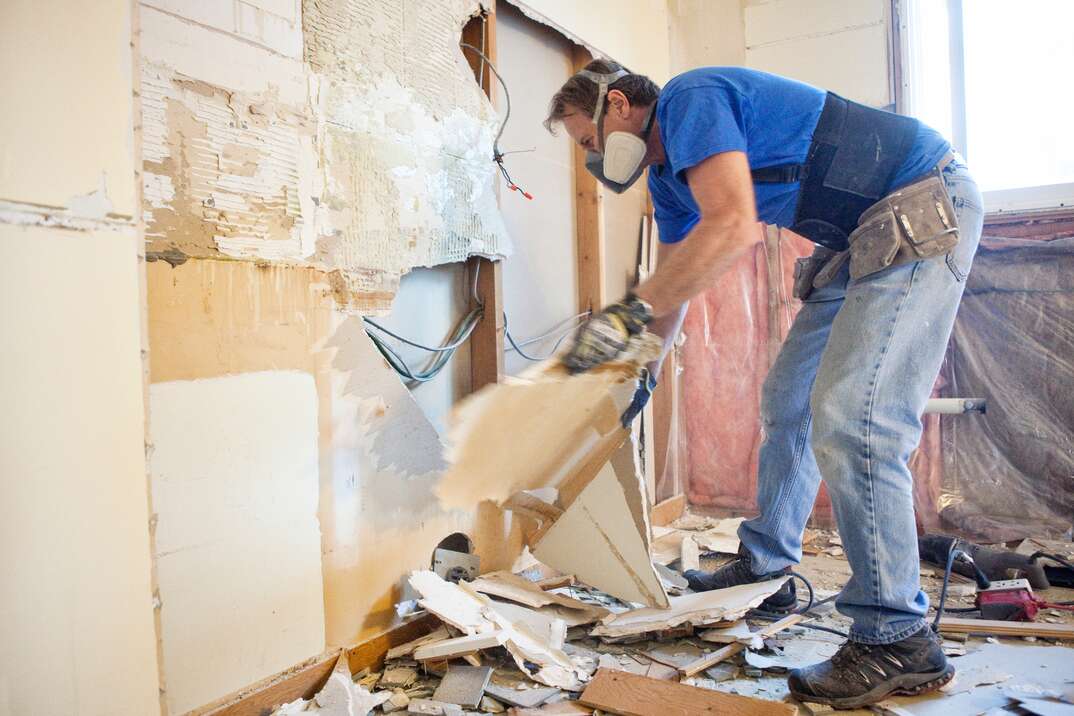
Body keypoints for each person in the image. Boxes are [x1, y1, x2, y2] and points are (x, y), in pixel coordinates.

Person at [543, 60, 984, 710]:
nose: (591, 161)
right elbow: (674, 290)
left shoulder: (690, 99)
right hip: (859, 236)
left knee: (852, 418)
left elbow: (729, 225)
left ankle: (896, 635)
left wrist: (624, 317)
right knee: (789, 401)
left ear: (618, 106)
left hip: (919, 199)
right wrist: (642, 369)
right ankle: (768, 566)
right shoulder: (668, 180)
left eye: (587, 143)